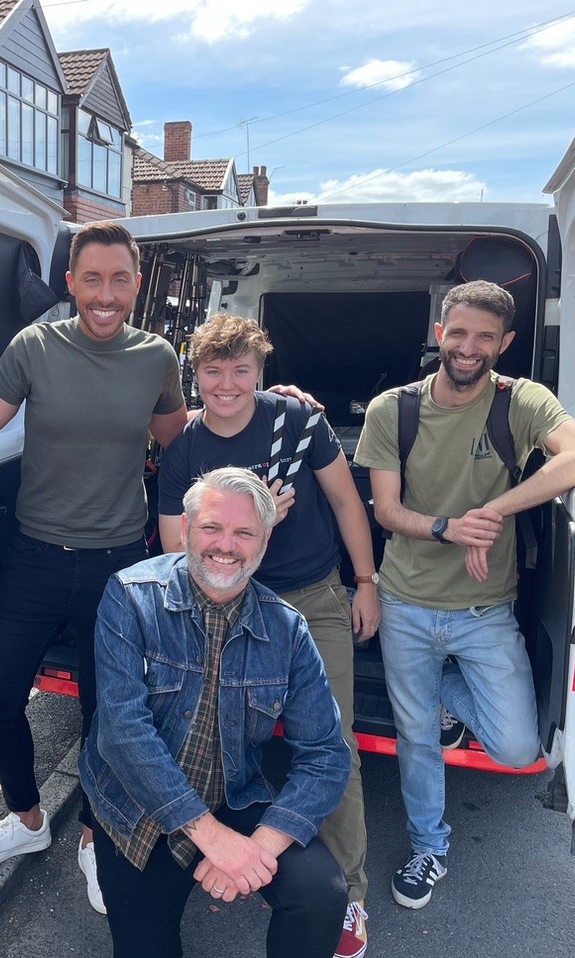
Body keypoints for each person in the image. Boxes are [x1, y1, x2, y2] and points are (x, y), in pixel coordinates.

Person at [0, 222, 186, 914]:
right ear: (71, 284)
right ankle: (27, 822)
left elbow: (185, 443)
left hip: (119, 566)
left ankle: (94, 835)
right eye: (92, 279)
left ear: (137, 285)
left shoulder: (157, 358)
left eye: (119, 279)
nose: (105, 294)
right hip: (34, 557)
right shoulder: (35, 347)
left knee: (106, 716)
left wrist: (270, 401)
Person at [353, 280, 575, 909]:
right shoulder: (392, 409)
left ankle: (439, 698)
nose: (468, 347)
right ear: (439, 333)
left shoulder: (521, 402)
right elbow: (385, 511)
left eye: (485, 337)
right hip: (406, 602)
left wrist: (492, 511)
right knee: (417, 739)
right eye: (458, 333)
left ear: (505, 343)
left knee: (520, 748)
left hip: (486, 611)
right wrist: (447, 528)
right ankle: (429, 846)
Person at [156, 313, 378, 958]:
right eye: (213, 371)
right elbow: (175, 547)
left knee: (333, 745)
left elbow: (345, 501)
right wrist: (251, 522)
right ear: (194, 375)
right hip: (220, 602)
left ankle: (349, 896)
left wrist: (365, 581)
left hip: (309, 595)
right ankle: (203, 854)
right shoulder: (185, 451)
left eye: (241, 371)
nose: (227, 385)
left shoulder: (298, 422)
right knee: (200, 736)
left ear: (261, 372)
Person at [80, 467, 350, 958]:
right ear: (185, 531)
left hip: (231, 795)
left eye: (244, 532)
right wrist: (211, 838)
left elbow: (327, 755)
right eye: (211, 528)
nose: (226, 545)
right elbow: (122, 734)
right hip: (139, 808)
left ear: (263, 543)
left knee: (321, 893)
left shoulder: (288, 630)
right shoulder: (130, 596)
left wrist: (259, 846)